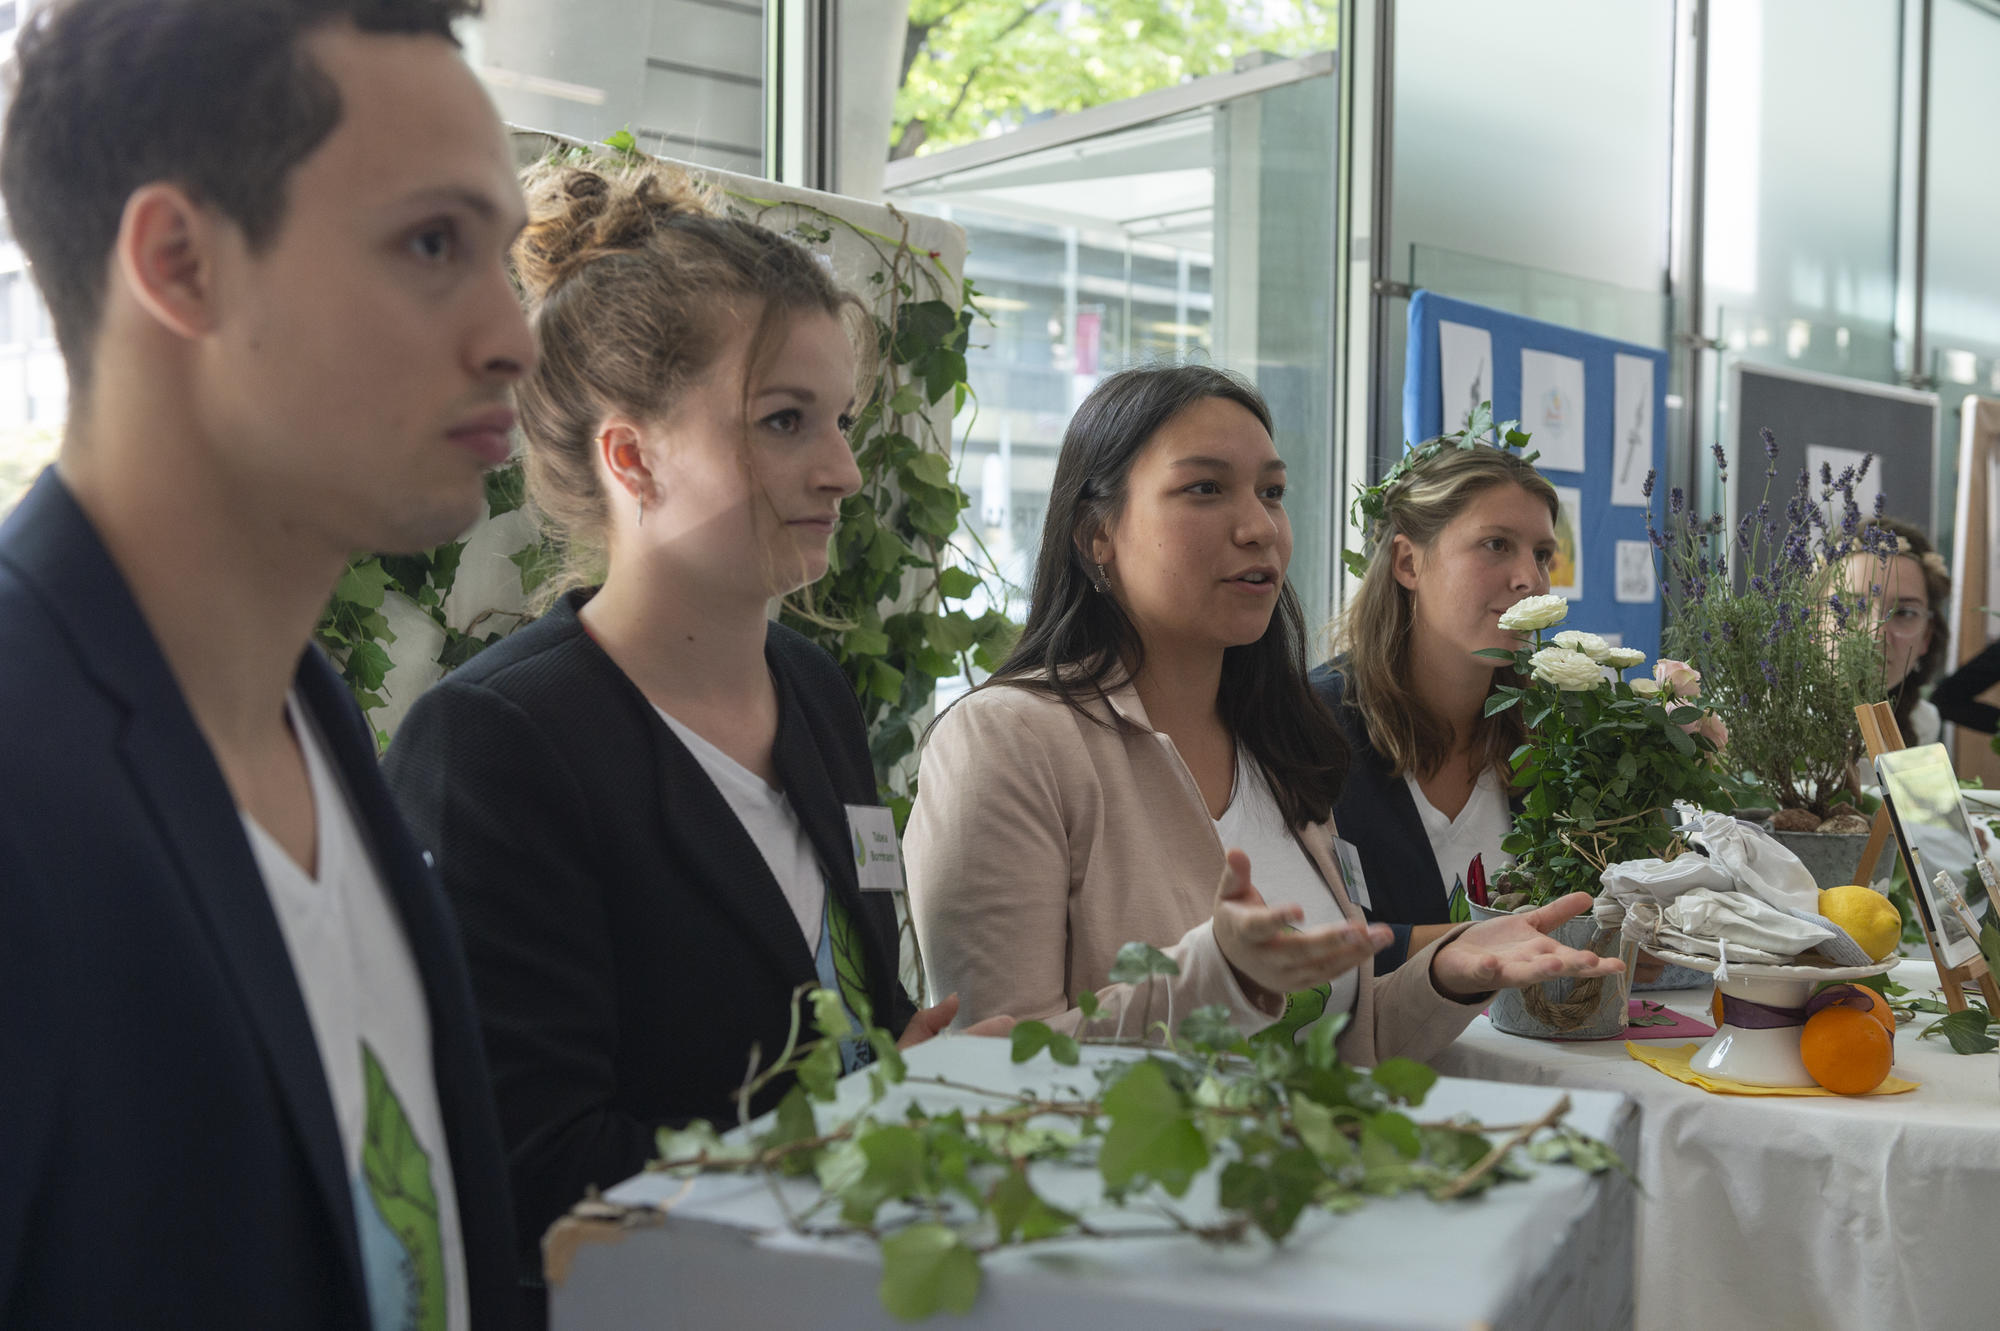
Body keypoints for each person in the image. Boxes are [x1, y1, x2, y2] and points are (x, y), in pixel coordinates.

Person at [383, 157, 1002, 1291]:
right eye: (784, 421)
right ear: (631, 455)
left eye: (840, 419)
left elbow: (850, 1015)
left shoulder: (811, 690)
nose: (844, 470)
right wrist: (856, 1130)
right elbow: (536, 1172)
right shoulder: (497, 746)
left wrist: (926, 1075)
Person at [0, 3, 529, 1327]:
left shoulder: (316, 716)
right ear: (181, 262)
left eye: (502, 257)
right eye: (430, 243)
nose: (514, 334)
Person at [905, 365, 1622, 1060]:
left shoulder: (1278, 745)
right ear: (1097, 534)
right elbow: (996, 1073)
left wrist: (1446, 970)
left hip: (1311, 1175)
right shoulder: (1006, 741)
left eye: (1272, 491)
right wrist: (1215, 977)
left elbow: (1346, 1037)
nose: (1258, 527)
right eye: (1205, 488)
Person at [1309, 443, 1561, 976]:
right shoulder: (1313, 722)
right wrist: (1501, 943)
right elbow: (1301, 942)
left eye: (1541, 554)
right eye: (1496, 545)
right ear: (1408, 563)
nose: (1530, 580)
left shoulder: (1551, 731)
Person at [1841, 516, 1950, 746]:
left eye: (1904, 613)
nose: (1876, 635)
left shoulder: (1922, 721)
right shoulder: (1761, 718)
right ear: (1812, 620)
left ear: (1927, 635)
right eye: (1853, 609)